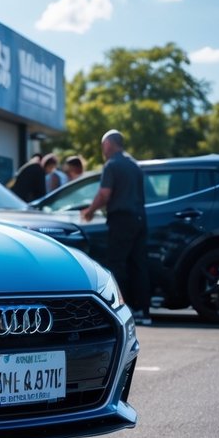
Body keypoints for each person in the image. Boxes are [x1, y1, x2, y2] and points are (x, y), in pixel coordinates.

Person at [81, 129, 152, 325]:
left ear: (110, 144)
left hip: (121, 219)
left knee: (117, 264)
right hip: (140, 218)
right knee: (139, 264)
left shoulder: (112, 165)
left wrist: (89, 211)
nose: (103, 150)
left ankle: (121, 311)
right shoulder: (134, 165)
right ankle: (143, 312)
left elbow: (104, 194)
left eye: (103, 145)